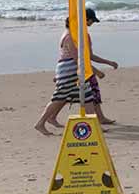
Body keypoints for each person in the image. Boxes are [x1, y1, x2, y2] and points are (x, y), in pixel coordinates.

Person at [34, 7, 118, 135]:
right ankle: (40, 123)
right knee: (59, 98)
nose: (91, 24)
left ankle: (95, 125)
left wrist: (104, 64)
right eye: (90, 21)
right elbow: (77, 58)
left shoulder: (75, 35)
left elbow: (84, 56)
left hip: (72, 70)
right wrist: (96, 71)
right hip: (69, 71)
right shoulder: (69, 36)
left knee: (87, 96)